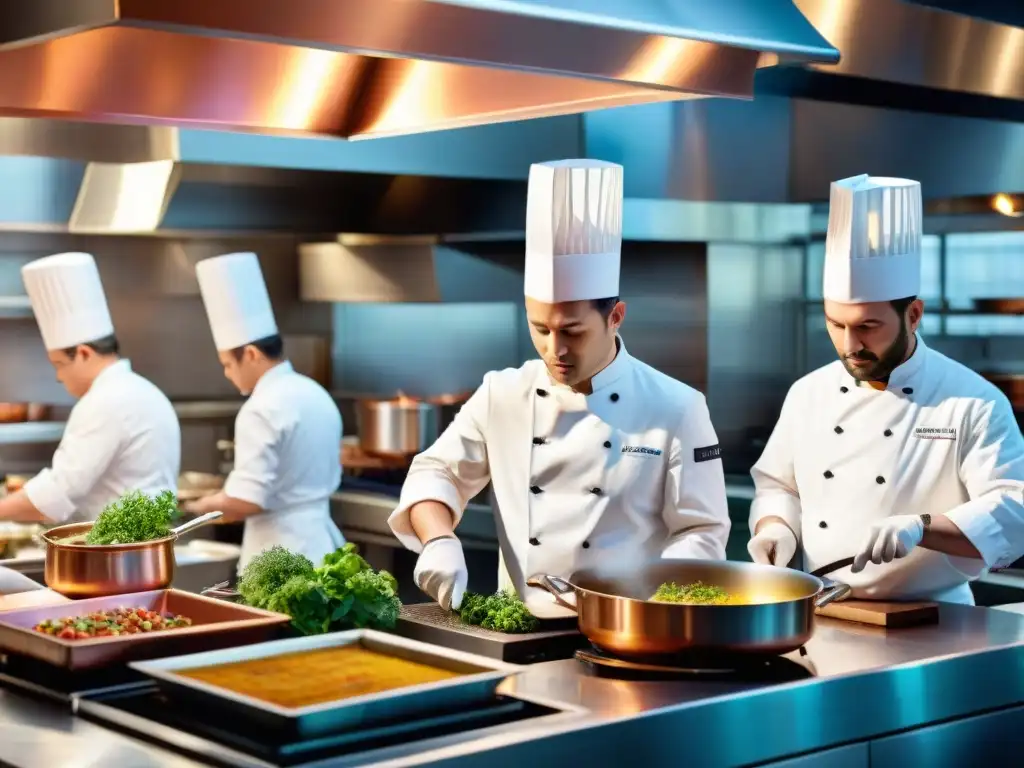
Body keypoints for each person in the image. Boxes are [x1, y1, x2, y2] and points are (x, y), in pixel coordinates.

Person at [388, 159, 731, 616]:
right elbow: (437, 474)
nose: (556, 350)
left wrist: (650, 603)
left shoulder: (677, 407)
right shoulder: (502, 394)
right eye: (540, 329)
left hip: (628, 631)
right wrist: (438, 539)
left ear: (615, 317)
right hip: (517, 629)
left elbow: (703, 532)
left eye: (572, 331)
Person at [747, 175, 1024, 604]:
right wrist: (775, 527)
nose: (848, 345)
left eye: (868, 327)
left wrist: (923, 527)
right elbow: (779, 485)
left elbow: (1015, 510)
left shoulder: (973, 403)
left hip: (935, 621)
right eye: (835, 324)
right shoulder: (808, 393)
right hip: (825, 612)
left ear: (914, 315)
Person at [184, 252, 344, 569]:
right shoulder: (315, 393)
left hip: (278, 558)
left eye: (228, 364)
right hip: (323, 549)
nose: (228, 374)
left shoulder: (259, 408)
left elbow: (245, 501)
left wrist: (200, 505)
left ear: (252, 354)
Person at [0, 252, 180, 526]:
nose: (59, 377)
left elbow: (52, 500)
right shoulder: (146, 391)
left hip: (117, 557)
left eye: (58, 364)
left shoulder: (104, 402)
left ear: (83, 353)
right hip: (145, 549)